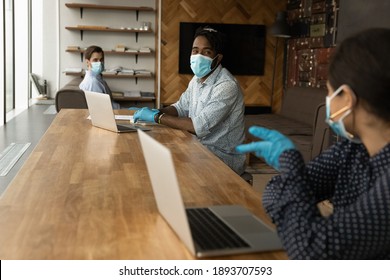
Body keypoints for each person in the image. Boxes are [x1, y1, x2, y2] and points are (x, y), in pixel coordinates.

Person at [236, 28, 390, 259]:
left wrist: (290, 163)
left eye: (329, 93)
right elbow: (275, 190)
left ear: (346, 98)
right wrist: (305, 221)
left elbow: (312, 252)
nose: (327, 101)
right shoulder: (351, 151)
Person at [133, 27, 246, 175]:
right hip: (199, 147)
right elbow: (180, 107)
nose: (198, 56)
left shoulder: (226, 86)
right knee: (151, 153)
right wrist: (156, 111)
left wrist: (156, 117)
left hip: (223, 157)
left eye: (206, 52)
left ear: (217, 58)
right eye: (195, 50)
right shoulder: (196, 79)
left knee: (165, 164)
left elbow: (197, 127)